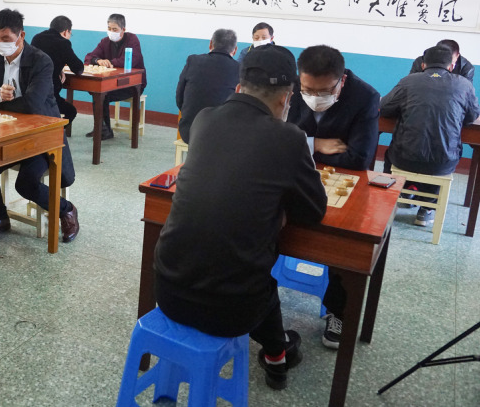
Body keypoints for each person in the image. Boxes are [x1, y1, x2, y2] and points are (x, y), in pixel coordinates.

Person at [154, 47, 327, 391]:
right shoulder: (288, 137)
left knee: (234, 261)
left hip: (167, 291)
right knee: (257, 279)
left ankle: (277, 354)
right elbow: (313, 210)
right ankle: (277, 355)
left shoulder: (204, 119)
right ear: (286, 99)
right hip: (232, 311)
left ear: (238, 87)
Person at [287, 44, 380, 350]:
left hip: (345, 183)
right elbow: (278, 136)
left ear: (341, 81)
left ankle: (337, 311)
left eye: (325, 91)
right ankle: (259, 296)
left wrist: (301, 145)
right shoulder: (291, 86)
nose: (315, 97)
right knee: (262, 223)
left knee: (344, 242)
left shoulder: (365, 97)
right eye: (307, 90)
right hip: (296, 174)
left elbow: (359, 158)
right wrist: (316, 144)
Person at [0, 9, 80, 243]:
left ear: (21, 35)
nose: (0, 44)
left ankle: (67, 209)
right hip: (6, 133)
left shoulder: (41, 60)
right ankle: (0, 217)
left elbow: (32, 104)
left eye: (6, 38)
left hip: (40, 135)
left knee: (26, 184)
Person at [382, 44, 480, 226]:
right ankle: (427, 208)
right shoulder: (464, 85)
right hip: (444, 163)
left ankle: (392, 197)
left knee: (392, 153)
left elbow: (385, 108)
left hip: (404, 159)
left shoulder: (408, 81)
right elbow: (472, 116)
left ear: (423, 65)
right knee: (441, 153)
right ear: (451, 66)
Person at [84, 13, 147, 140]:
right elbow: (89, 57)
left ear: (123, 29)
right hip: (112, 82)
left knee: (103, 94)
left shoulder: (132, 39)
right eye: (109, 28)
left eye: (115, 29)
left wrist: (109, 62)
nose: (111, 32)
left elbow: (131, 60)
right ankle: (101, 128)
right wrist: (97, 60)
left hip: (132, 84)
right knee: (98, 92)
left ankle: (104, 129)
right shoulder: (105, 41)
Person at [176, 28, 240, 143]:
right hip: (222, 134)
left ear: (210, 44)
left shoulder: (193, 61)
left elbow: (179, 97)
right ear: (235, 50)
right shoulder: (238, 69)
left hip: (189, 132)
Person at [30, 15, 84, 124]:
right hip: (48, 95)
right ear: (66, 32)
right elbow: (78, 68)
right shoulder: (63, 43)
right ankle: (57, 132)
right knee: (71, 111)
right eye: (70, 34)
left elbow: (41, 61)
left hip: (30, 91)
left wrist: (59, 68)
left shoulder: (37, 38)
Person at [410, 39, 474, 81]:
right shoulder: (421, 61)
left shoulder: (466, 68)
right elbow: (410, 82)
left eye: (450, 58)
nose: (445, 60)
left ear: (457, 56)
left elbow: (466, 92)